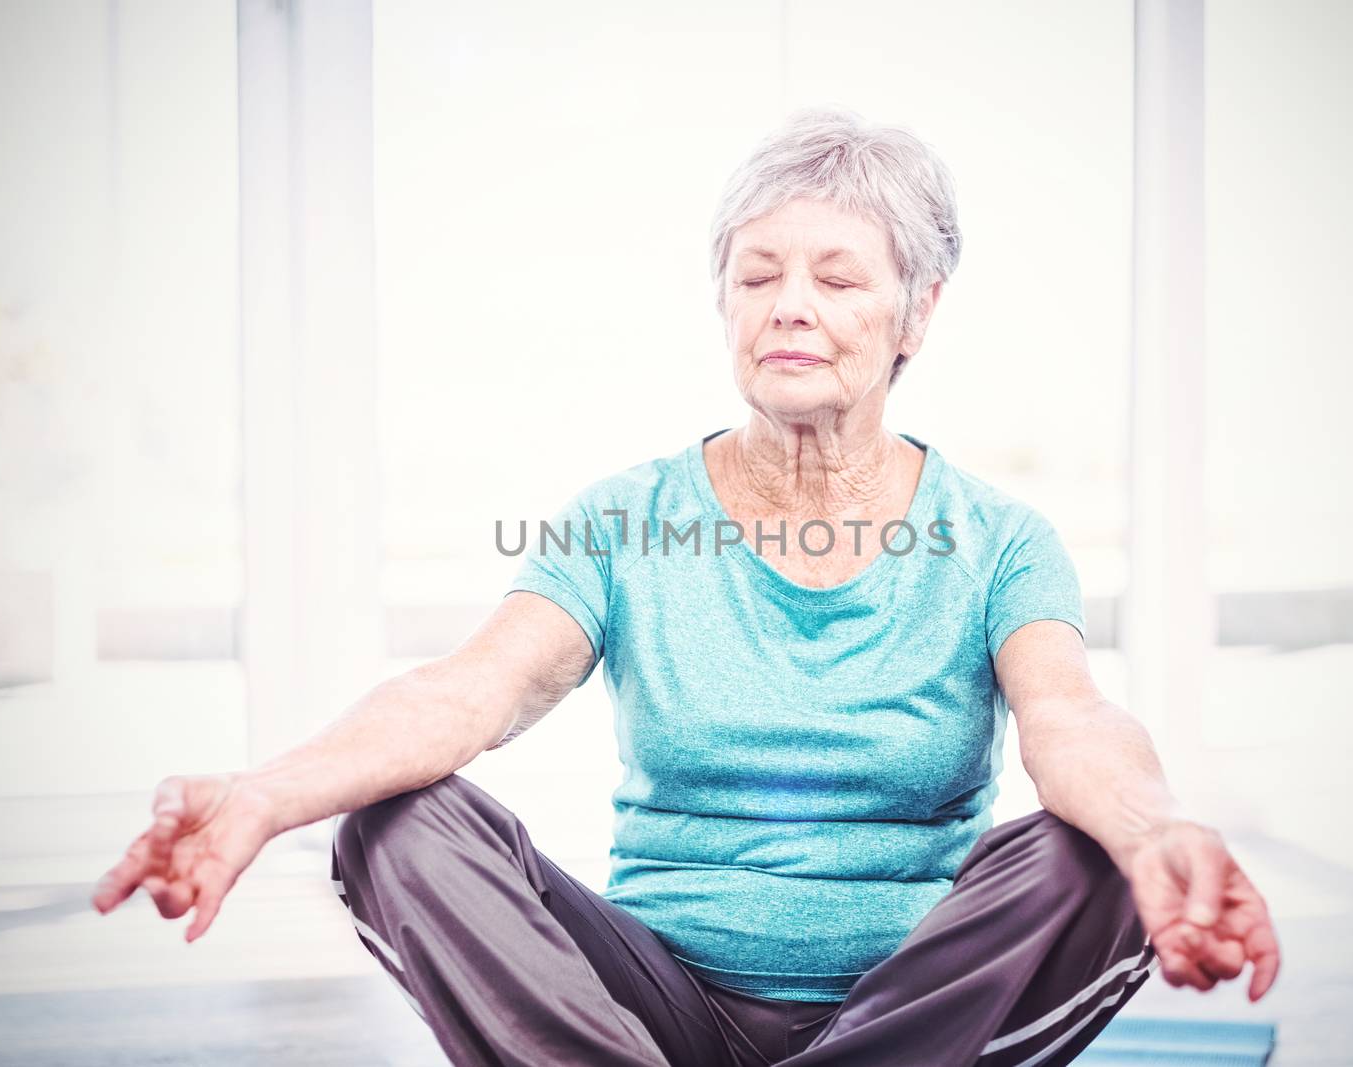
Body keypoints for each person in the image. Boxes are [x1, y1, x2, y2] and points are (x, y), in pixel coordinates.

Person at [91, 107, 1280, 1067]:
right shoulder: (624, 519)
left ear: (917, 313)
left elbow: (1070, 719)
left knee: (1094, 855)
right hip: (648, 1015)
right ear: (723, 301)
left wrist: (1151, 826)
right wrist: (263, 789)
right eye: (756, 274)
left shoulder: (1000, 538)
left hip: (911, 1016)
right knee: (399, 819)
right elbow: (470, 691)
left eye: (838, 278)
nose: (790, 306)